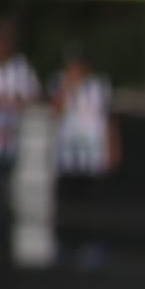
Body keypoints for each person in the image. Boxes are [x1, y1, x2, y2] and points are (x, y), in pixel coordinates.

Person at [0, 19, 39, 264]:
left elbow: (33, 99)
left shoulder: (20, 69)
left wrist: (13, 102)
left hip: (9, 146)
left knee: (1, 197)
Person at [50, 44, 119, 268]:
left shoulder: (100, 86)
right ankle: (65, 246)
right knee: (67, 202)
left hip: (93, 156)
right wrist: (69, 85)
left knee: (92, 203)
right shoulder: (59, 82)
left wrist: (113, 148)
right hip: (67, 157)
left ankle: (92, 247)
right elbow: (55, 111)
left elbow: (109, 119)